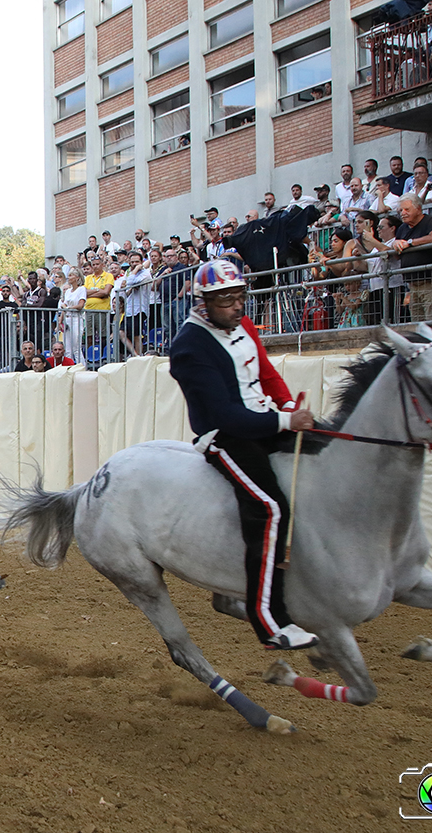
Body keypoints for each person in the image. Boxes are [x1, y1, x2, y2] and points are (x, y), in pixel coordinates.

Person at [168, 259, 318, 651]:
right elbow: (225, 415)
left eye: (240, 297)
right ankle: (270, 622)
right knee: (270, 507)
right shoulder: (188, 347)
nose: (237, 306)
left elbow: (266, 373)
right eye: (226, 300)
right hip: (226, 436)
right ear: (203, 304)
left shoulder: (241, 324)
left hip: (266, 419)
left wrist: (286, 405)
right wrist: (286, 423)